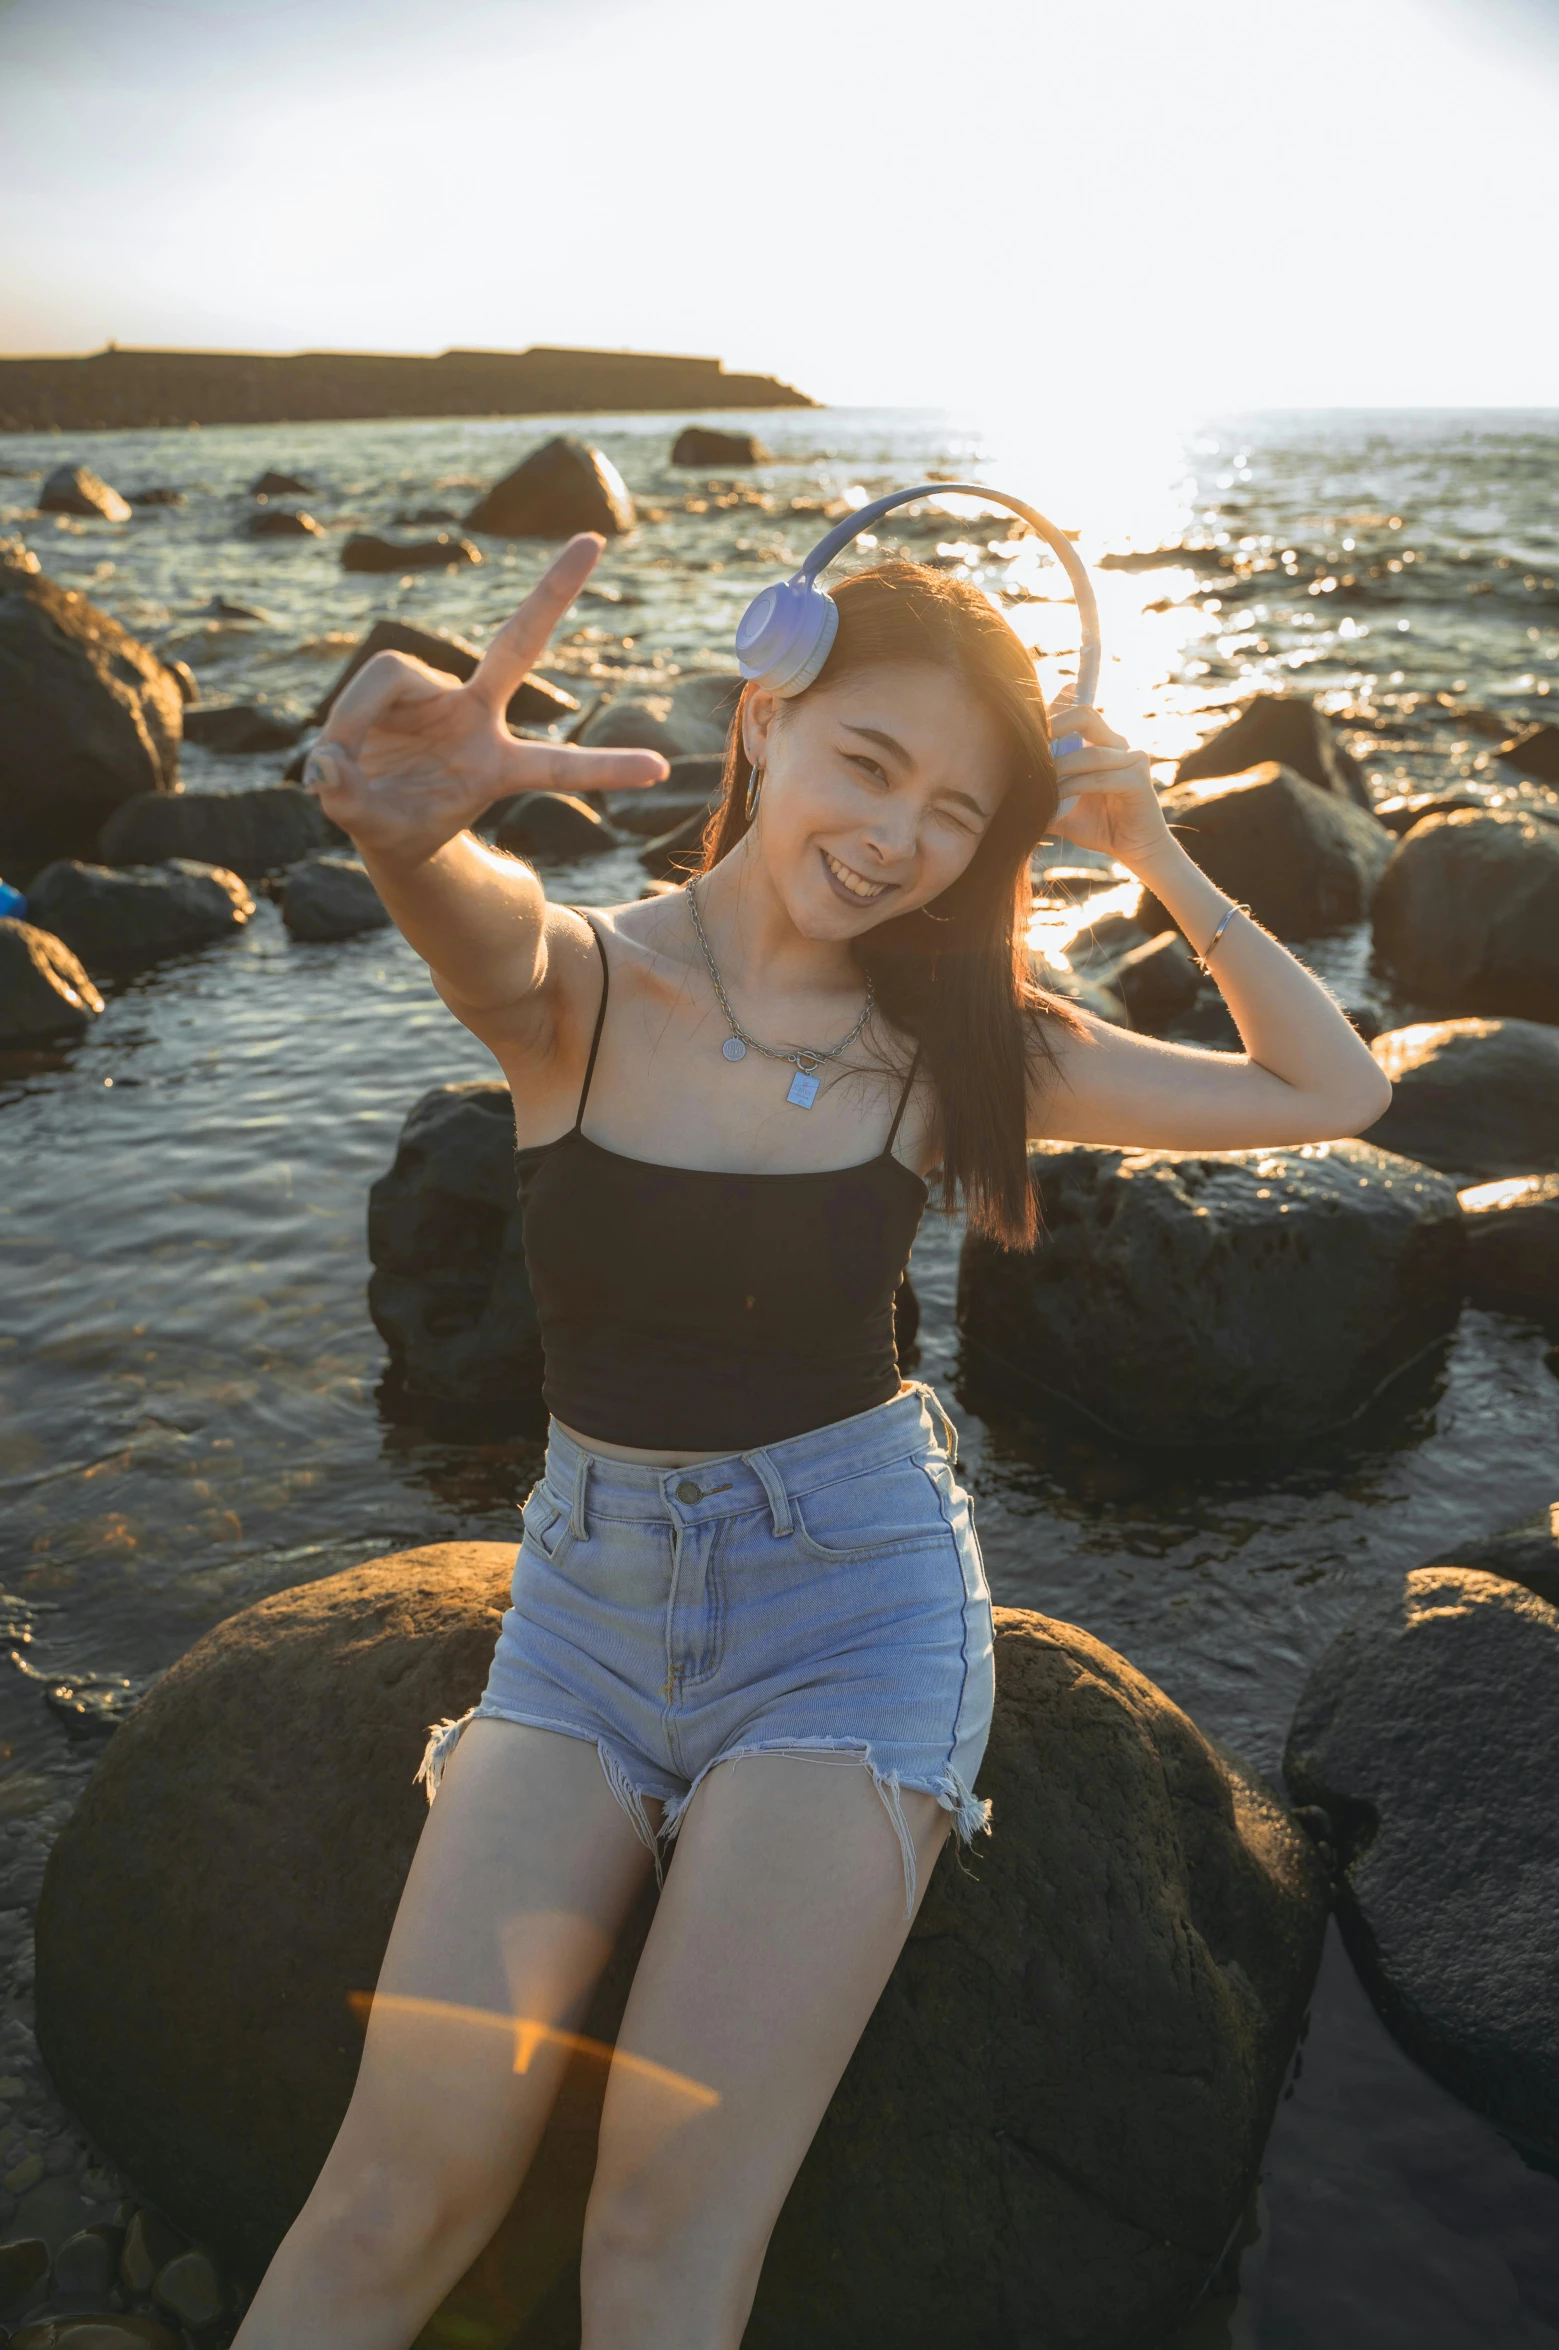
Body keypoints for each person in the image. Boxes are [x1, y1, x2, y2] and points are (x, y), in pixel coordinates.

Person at [234, 530, 1389, 2350]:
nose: (898, 836)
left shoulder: (959, 1044)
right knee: (390, 2200)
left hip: (850, 1614)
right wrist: (399, 818)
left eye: (954, 810)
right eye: (868, 762)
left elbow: (1334, 1090)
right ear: (763, 717)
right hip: (583, 1627)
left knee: (656, 2233)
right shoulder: (582, 985)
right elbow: (467, 898)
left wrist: (1152, 849)